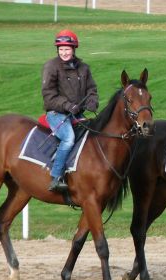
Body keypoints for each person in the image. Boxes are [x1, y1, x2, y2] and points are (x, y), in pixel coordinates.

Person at [42, 29, 99, 192]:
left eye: (67, 49)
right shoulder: (51, 67)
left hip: (77, 114)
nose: (64, 53)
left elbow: (92, 89)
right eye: (61, 50)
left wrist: (92, 102)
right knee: (68, 138)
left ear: (74, 49)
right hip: (56, 114)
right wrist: (68, 106)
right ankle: (56, 177)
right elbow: (48, 95)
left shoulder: (84, 68)